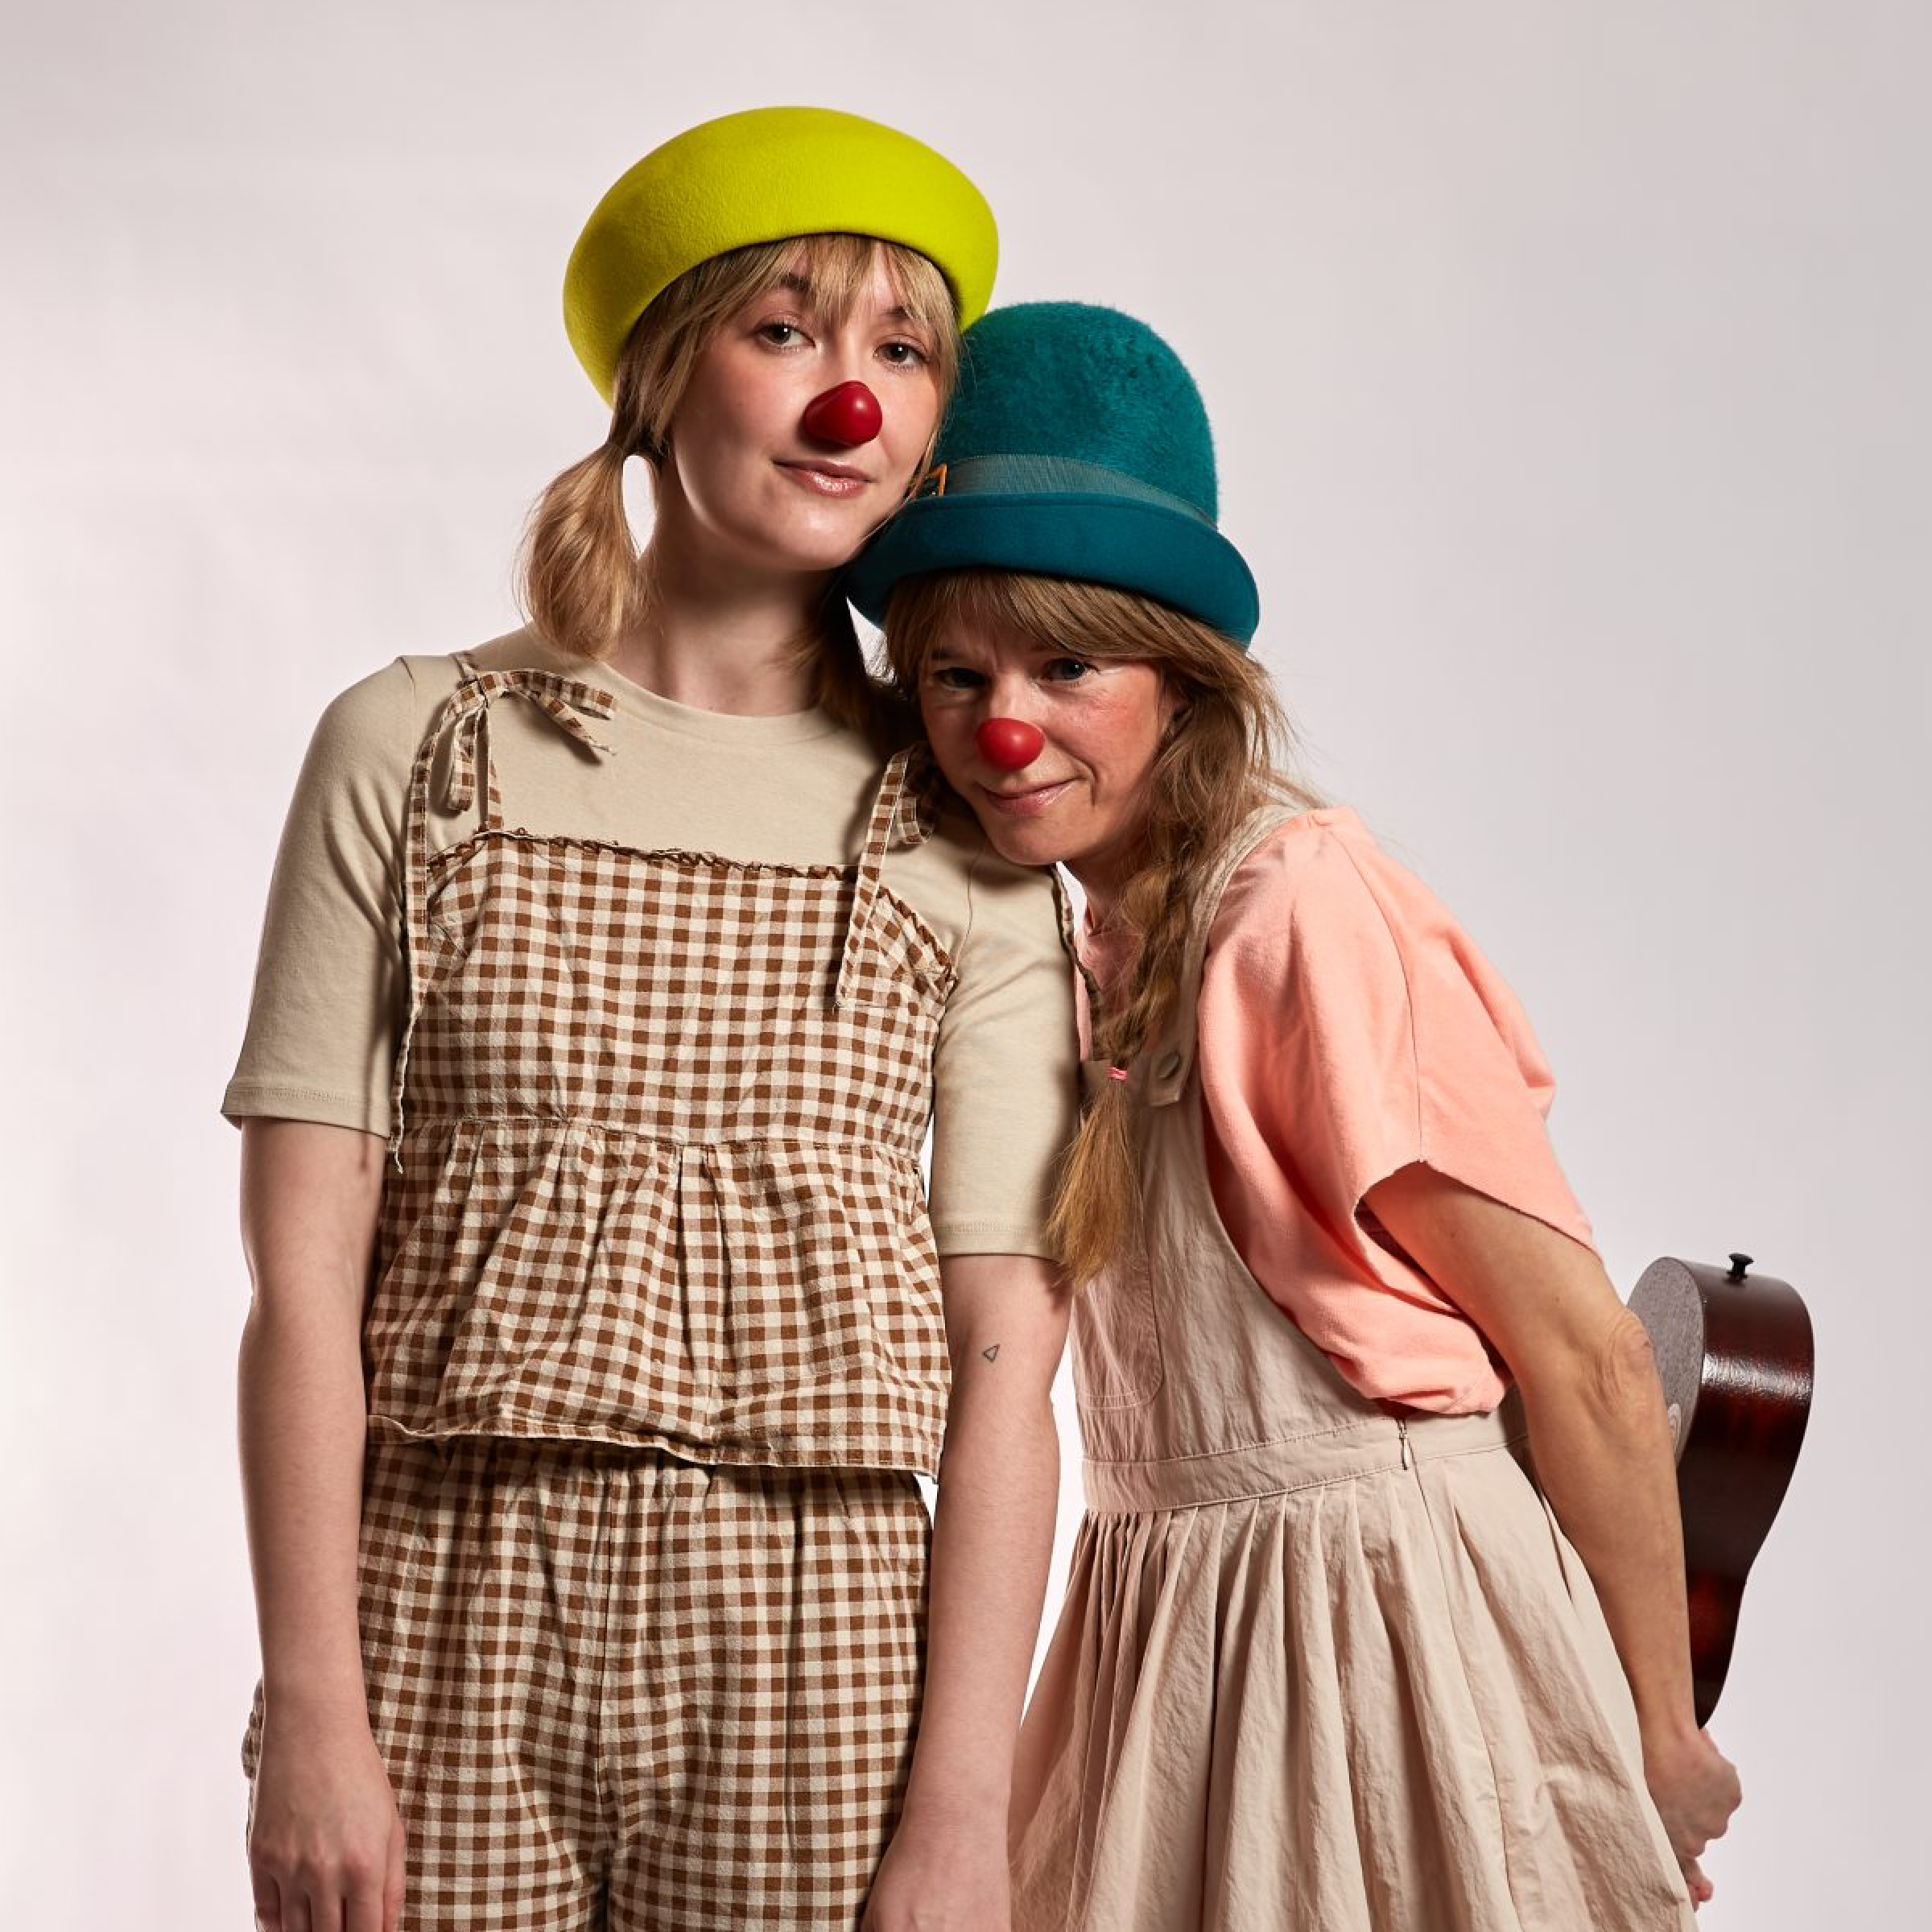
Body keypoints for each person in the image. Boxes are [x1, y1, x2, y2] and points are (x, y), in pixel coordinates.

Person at [225, 110, 1076, 1932]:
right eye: (784, 330)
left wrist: (962, 1814)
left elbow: (1012, 1343)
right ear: (662, 369)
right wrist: (312, 1711)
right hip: (442, 1601)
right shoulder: (417, 747)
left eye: (899, 351)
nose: (847, 396)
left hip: (819, 1636)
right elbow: (303, 1279)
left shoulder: (966, 830)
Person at [849, 300, 1743, 1930]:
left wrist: (1661, 1728)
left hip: (1378, 1636)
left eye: (1069, 664)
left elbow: (1581, 1352)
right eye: (957, 674)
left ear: (1182, 681)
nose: (1004, 726)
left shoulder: (1299, 909)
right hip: (1164, 1624)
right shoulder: (1077, 930)